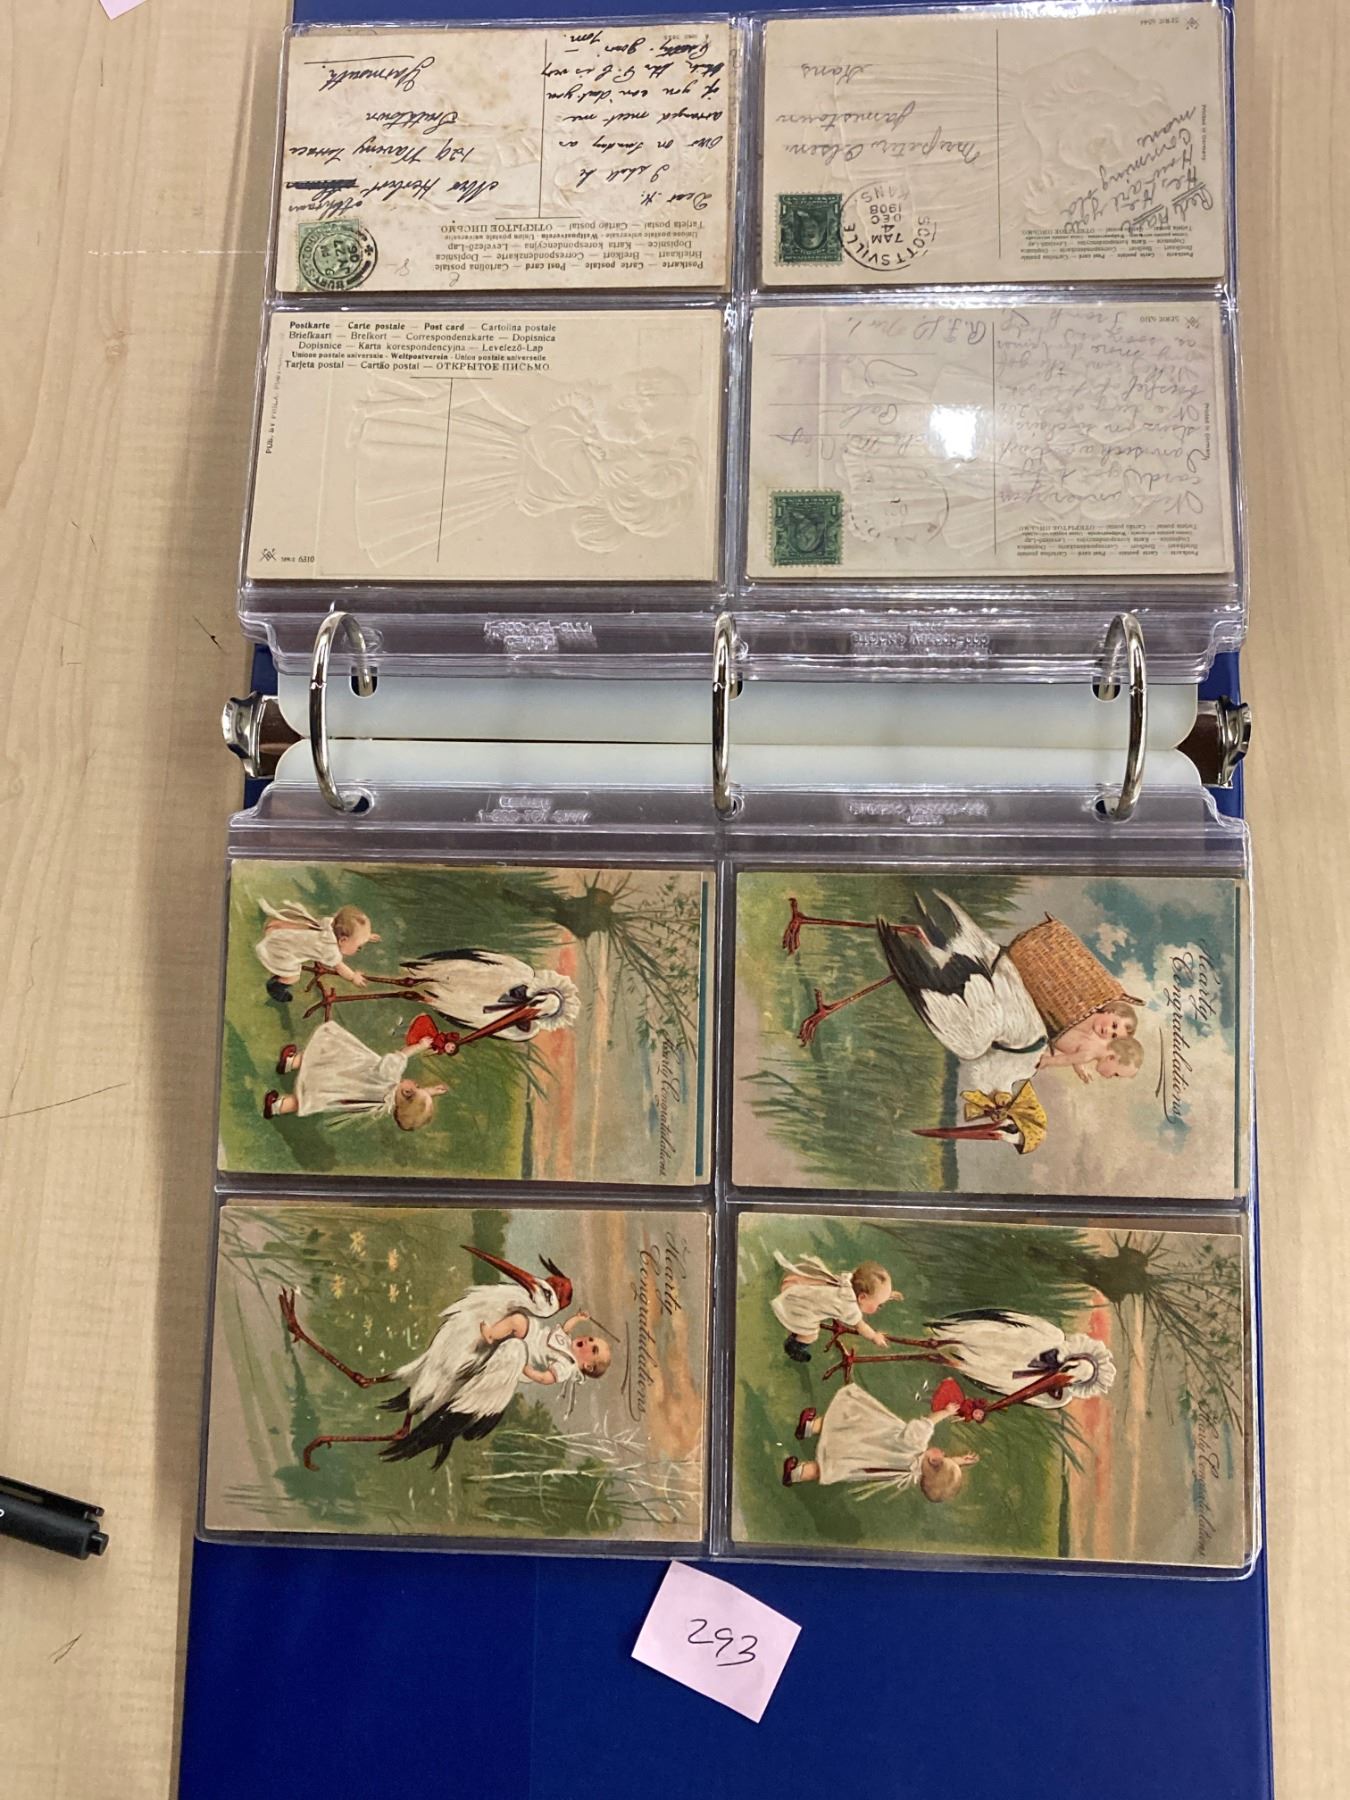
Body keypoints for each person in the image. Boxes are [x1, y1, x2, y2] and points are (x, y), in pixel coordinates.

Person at [782, 1385, 978, 1501]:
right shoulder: (912, 1472)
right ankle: (795, 1474)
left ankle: (809, 1426)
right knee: (829, 1467)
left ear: (934, 1459)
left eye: (944, 1456)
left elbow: (927, 1423)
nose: (943, 1453)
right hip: (864, 1457)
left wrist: (946, 1412)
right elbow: (936, 1471)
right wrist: (959, 1461)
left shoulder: (916, 1444)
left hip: (869, 1435)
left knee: (844, 1421)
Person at [264, 1019, 446, 1131]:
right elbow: (412, 1101)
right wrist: (430, 1091)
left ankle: (291, 1062)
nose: (415, 1083)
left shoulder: (390, 1077)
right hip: (343, 1088)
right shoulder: (386, 1103)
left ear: (407, 1092)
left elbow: (401, 1056)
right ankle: (276, 1107)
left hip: (347, 1069)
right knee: (311, 1098)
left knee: (325, 1053)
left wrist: (420, 1046)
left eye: (416, 1087)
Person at [770, 1252, 900, 1364]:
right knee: (811, 1335)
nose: (879, 1307)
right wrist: (874, 1336)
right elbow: (861, 1327)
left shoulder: (850, 1282)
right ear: (862, 1297)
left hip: (809, 1292)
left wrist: (887, 1295)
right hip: (803, 1307)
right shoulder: (849, 1306)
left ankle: (796, 1333)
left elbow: (871, 1289)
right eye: (879, 1304)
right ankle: (794, 1346)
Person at [254, 898, 380, 1004]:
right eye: (358, 946)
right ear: (343, 940)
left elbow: (347, 927)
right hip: (283, 950)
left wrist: (364, 936)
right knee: (293, 977)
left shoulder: (330, 924)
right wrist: (353, 977)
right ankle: (276, 987)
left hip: (288, 936)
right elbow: (340, 967)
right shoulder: (330, 950)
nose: (358, 949)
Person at [480, 1308, 611, 1382]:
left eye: (593, 1349)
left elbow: (546, 1378)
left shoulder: (567, 1366)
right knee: (518, 1319)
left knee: (517, 1322)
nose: (588, 1341)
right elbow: (566, 1329)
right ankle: (494, 1333)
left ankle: (491, 1336)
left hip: (530, 1353)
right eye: (591, 1339)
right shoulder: (567, 1343)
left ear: (588, 1366)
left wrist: (528, 1371)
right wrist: (578, 1318)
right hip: (532, 1335)